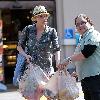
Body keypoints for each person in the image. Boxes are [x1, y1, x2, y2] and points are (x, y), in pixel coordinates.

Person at [13, 5, 60, 100]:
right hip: (32, 69)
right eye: (41, 16)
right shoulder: (28, 30)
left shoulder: (51, 31)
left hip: (46, 69)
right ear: (35, 18)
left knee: (51, 96)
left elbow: (56, 49)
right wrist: (25, 55)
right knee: (33, 97)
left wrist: (58, 61)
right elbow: (19, 47)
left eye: (45, 15)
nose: (44, 18)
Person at [57, 14, 100, 100]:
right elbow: (83, 59)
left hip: (95, 77)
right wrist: (77, 72)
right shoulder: (83, 37)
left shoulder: (93, 34)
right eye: (77, 24)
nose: (80, 25)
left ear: (89, 23)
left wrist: (67, 61)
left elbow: (86, 53)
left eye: (82, 23)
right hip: (86, 78)